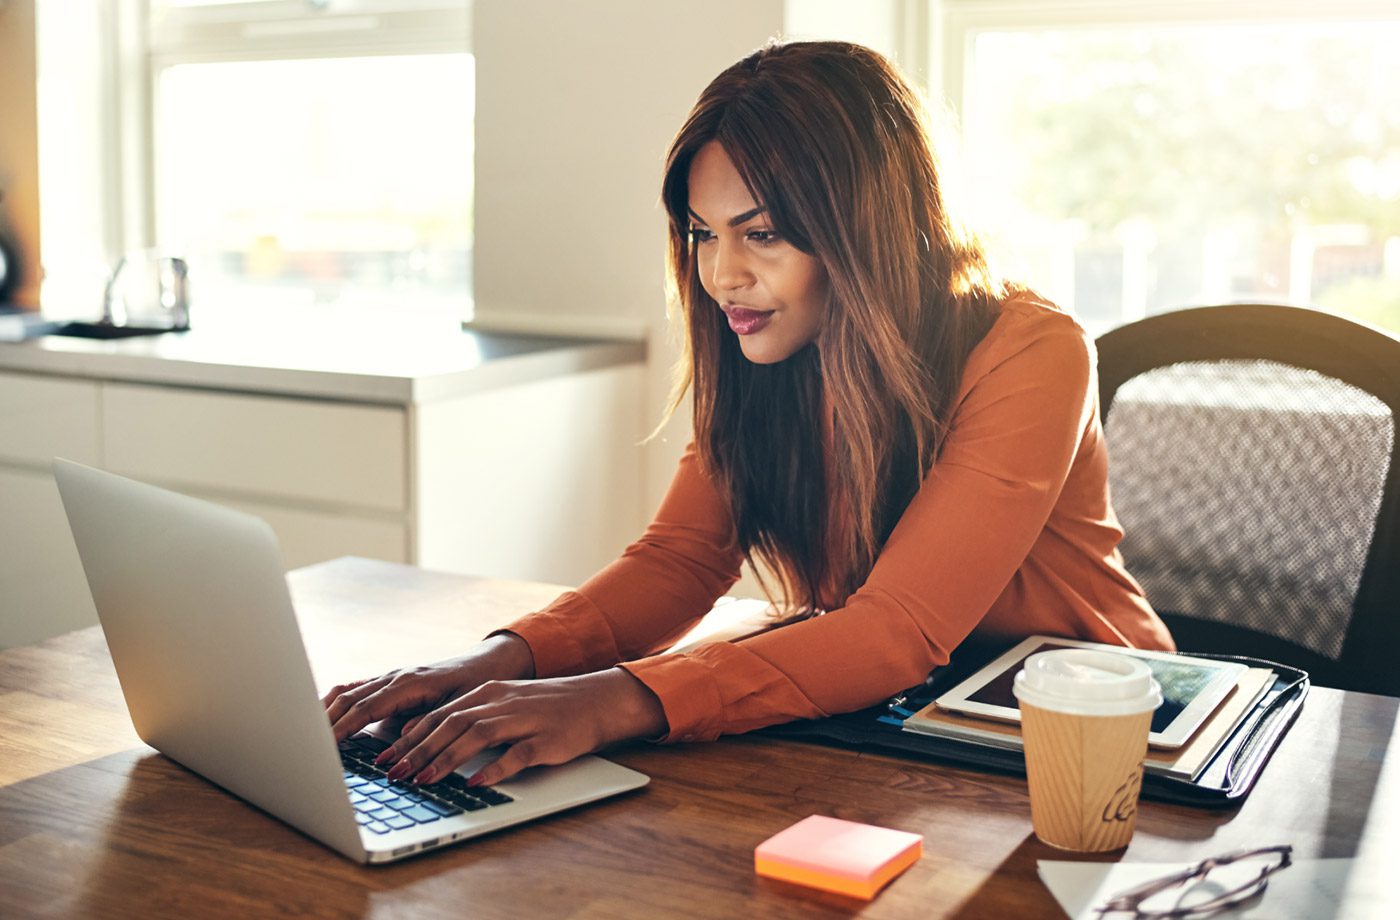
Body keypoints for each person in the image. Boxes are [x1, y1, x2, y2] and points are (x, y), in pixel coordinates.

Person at [323, 40, 1174, 789]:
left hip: (1101, 734)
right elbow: (682, 561)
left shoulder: (1032, 349)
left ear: (867, 227)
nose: (721, 275)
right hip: (897, 727)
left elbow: (894, 631)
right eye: (702, 234)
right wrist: (492, 661)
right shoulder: (764, 342)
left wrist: (608, 701)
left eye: (760, 234)